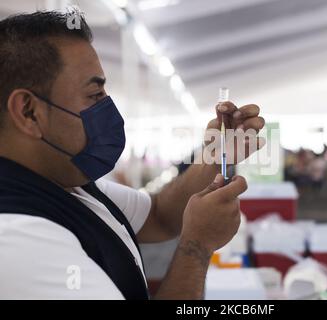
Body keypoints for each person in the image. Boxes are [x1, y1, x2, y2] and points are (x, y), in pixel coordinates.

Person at [0, 11, 265, 299]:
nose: (108, 109)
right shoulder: (17, 234)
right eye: (94, 95)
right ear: (28, 111)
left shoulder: (68, 182)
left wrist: (215, 154)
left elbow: (160, 215)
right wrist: (198, 245)